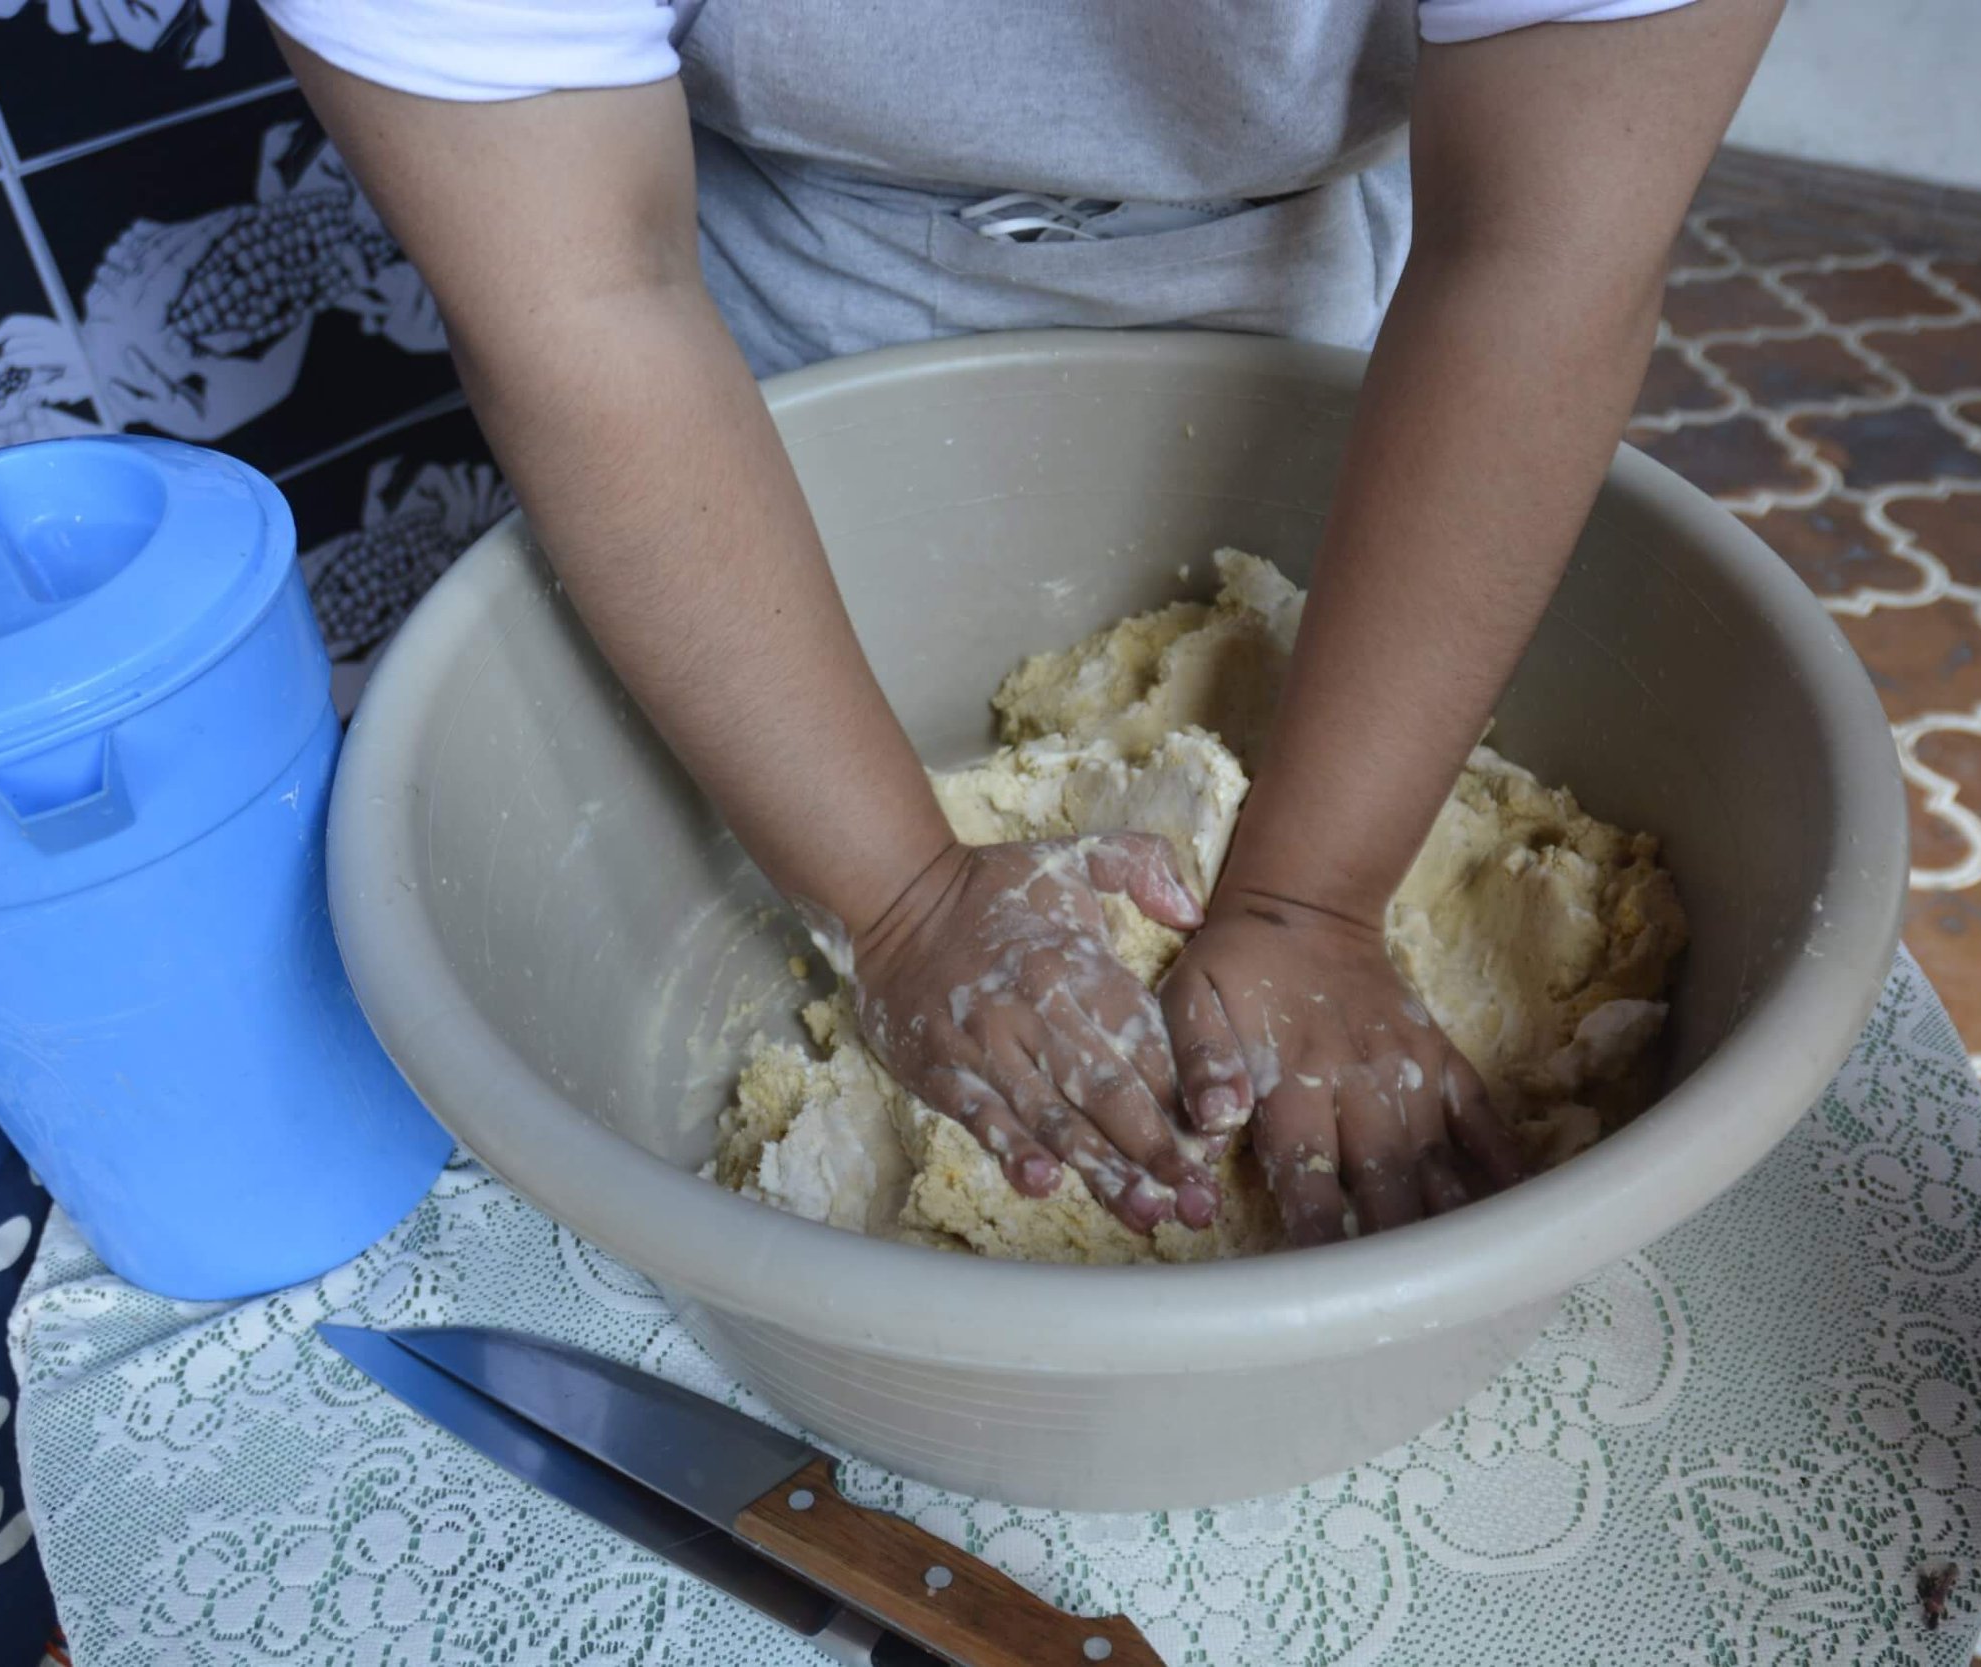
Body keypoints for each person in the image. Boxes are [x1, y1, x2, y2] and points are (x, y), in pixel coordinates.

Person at [263, 0, 1784, 1248]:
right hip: (726, 333)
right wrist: (903, 903)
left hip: (1339, 304)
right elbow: (584, 302)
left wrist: (1313, 898)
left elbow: (1541, 260)